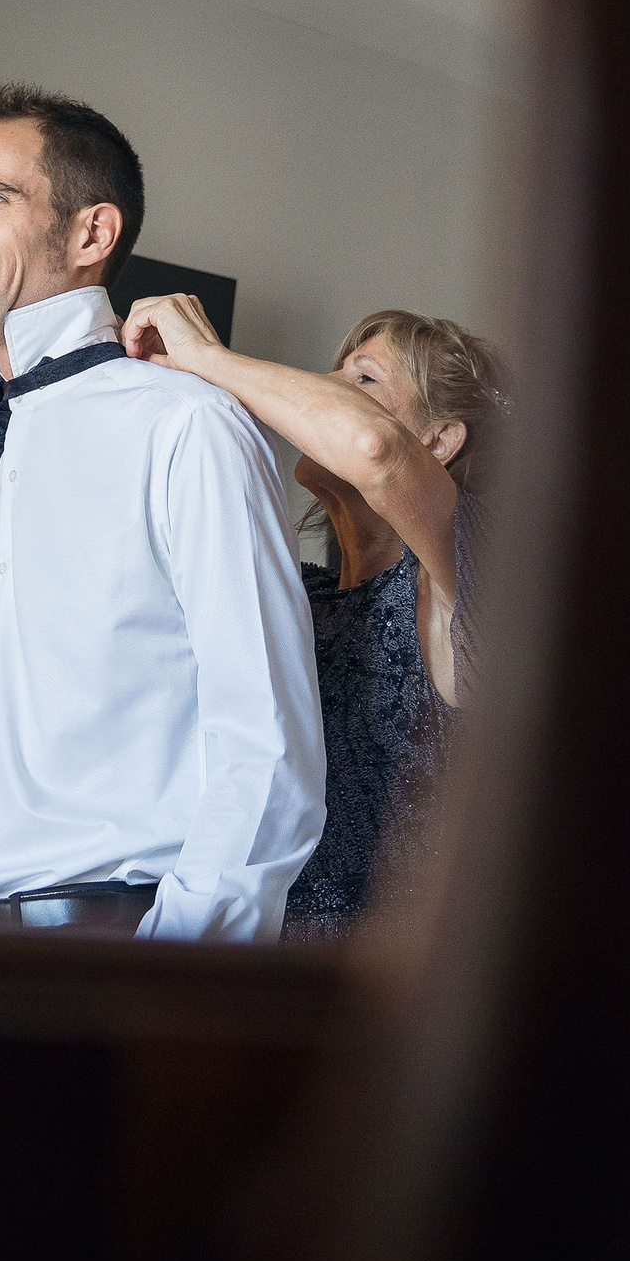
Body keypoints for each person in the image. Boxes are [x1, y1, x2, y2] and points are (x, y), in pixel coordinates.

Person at [0, 81, 325, 942]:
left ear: (91, 232)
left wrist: (164, 978)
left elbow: (268, 748)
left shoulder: (187, 427)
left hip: (95, 962)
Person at [121, 296, 506, 941]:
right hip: (262, 978)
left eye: (364, 379)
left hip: (387, 996)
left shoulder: (473, 578)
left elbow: (376, 448)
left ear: (439, 442)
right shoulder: (297, 595)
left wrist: (212, 361)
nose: (327, 391)